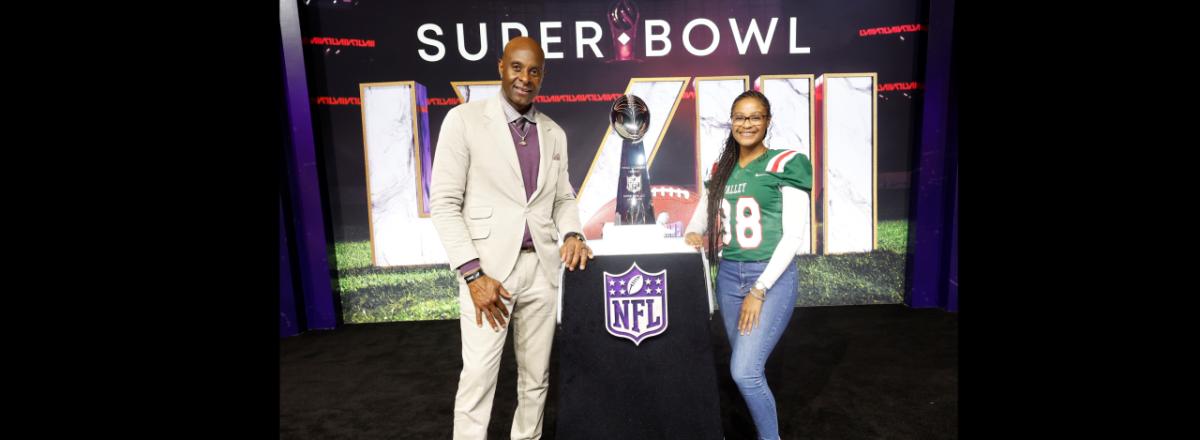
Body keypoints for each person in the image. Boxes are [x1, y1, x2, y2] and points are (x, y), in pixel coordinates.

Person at [430, 36, 592, 440]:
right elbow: (444, 204)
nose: (525, 78)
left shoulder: (554, 132)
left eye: (533, 71)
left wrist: (572, 231)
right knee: (479, 379)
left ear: (542, 76)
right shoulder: (464, 120)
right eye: (517, 67)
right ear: (501, 67)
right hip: (487, 274)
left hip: (541, 268)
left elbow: (562, 197)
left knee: (536, 380)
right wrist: (472, 276)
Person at [684, 90, 812, 440]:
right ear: (732, 121)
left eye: (756, 116)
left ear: (768, 120)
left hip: (769, 277)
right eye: (740, 117)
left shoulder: (787, 162)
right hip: (727, 276)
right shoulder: (721, 168)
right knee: (748, 366)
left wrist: (760, 288)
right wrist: (695, 234)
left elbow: (793, 238)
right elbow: (699, 220)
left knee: (744, 372)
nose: (747, 123)